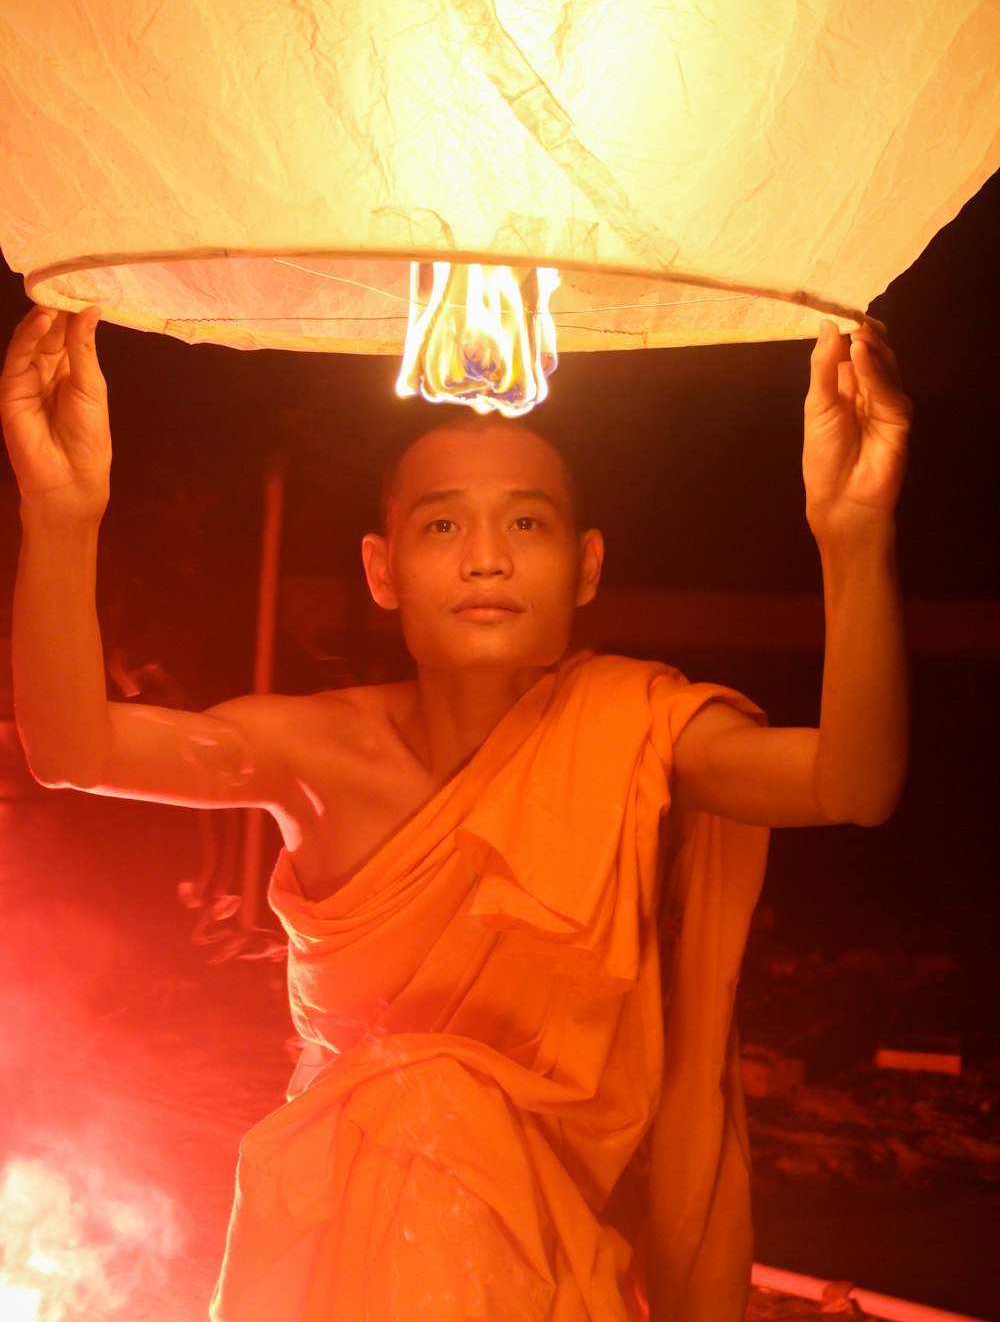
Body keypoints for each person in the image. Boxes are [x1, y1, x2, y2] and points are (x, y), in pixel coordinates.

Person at [0, 301, 911, 1322]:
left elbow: (852, 784)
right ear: (381, 571)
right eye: (444, 524)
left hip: (545, 1259)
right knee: (414, 1097)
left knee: (436, 1103)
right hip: (344, 1243)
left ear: (588, 565)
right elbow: (74, 748)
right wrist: (62, 509)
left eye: (526, 522)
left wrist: (853, 534)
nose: (488, 558)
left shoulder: (638, 727)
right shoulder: (320, 752)